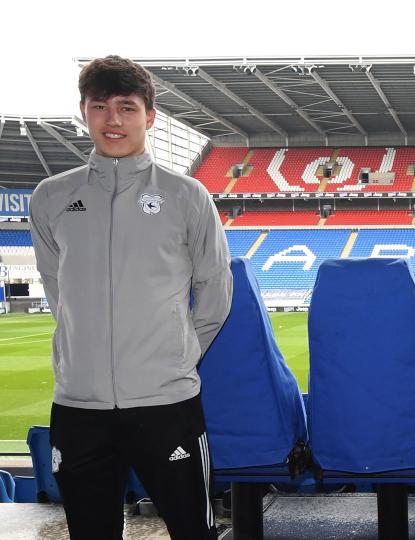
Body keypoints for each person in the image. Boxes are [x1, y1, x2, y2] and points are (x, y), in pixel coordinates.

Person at [29, 55, 232, 540]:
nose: (113, 120)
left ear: (150, 116)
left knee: (192, 530)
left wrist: (174, 359)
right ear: (84, 112)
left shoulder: (187, 196)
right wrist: (87, 357)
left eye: (127, 107)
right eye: (100, 107)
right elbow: (58, 287)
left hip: (167, 404)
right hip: (80, 407)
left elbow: (215, 292)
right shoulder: (51, 197)